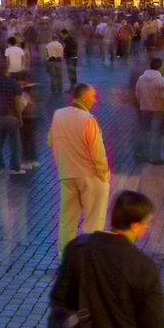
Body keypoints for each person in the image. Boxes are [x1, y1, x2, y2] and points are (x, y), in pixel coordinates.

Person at [50, 189, 164, 328]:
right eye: (146, 222)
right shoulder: (144, 267)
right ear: (135, 225)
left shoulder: (79, 249)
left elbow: (59, 297)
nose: (147, 227)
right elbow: (153, 320)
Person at [48, 83, 112, 253]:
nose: (94, 99)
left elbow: (50, 142)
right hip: (90, 176)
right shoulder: (88, 119)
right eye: (93, 96)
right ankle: (90, 258)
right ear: (84, 97)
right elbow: (97, 152)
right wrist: (104, 174)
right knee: (93, 221)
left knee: (67, 220)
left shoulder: (58, 115)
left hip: (67, 175)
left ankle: (65, 256)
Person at [133, 58, 164, 164]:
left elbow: (138, 93)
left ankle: (145, 153)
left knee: (146, 132)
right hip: (158, 110)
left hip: (145, 108)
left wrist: (142, 103)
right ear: (160, 66)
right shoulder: (162, 80)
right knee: (157, 134)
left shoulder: (141, 78)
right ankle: (155, 157)